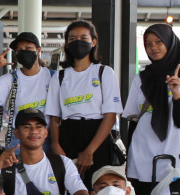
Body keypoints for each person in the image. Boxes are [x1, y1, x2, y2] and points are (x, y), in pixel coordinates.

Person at [125, 24, 180, 195]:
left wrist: (176, 94)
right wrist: (129, 160)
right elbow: (133, 120)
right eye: (148, 44)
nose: (153, 47)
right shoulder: (141, 78)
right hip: (141, 157)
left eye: (159, 42)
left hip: (171, 159)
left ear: (170, 44)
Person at [46, 20, 123, 180]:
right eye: (72, 39)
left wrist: (89, 151)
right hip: (68, 136)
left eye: (83, 38)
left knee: (98, 186)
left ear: (93, 42)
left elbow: (110, 116)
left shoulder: (104, 72)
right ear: (67, 44)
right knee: (69, 187)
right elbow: (54, 118)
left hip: (98, 137)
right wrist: (56, 145)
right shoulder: (59, 77)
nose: (78, 42)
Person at [0, 108, 92, 195]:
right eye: (27, 127)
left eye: (39, 127)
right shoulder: (5, 168)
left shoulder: (62, 163)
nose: (34, 131)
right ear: (17, 133)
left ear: (46, 132)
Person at [0, 32, 52, 153]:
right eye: (19, 50)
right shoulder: (9, 79)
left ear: (38, 50)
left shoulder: (52, 76)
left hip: (46, 138)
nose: (24, 52)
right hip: (16, 140)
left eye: (28, 48)